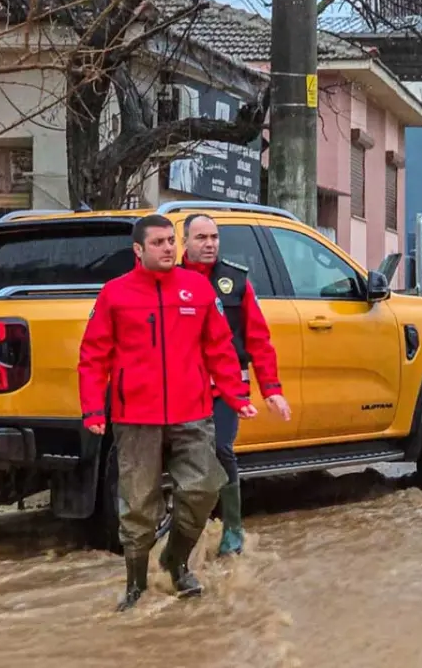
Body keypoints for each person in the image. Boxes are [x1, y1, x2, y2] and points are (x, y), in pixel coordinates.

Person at [78, 213, 258, 612]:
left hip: (192, 412)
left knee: (203, 489)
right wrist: (92, 409)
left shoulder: (196, 288)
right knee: (138, 504)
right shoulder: (115, 293)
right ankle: (135, 586)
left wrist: (235, 394)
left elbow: (219, 347)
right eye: (158, 243)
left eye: (170, 241)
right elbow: (93, 355)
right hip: (135, 417)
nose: (168, 248)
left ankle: (175, 560)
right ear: (138, 250)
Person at [180, 213, 291, 556]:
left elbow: (259, 339)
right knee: (182, 455)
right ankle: (186, 531)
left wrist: (271, 389)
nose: (209, 244)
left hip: (226, 390)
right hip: (183, 388)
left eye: (214, 237)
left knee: (221, 448)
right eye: (201, 238)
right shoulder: (170, 279)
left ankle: (232, 527)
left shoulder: (236, 281)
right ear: (185, 241)